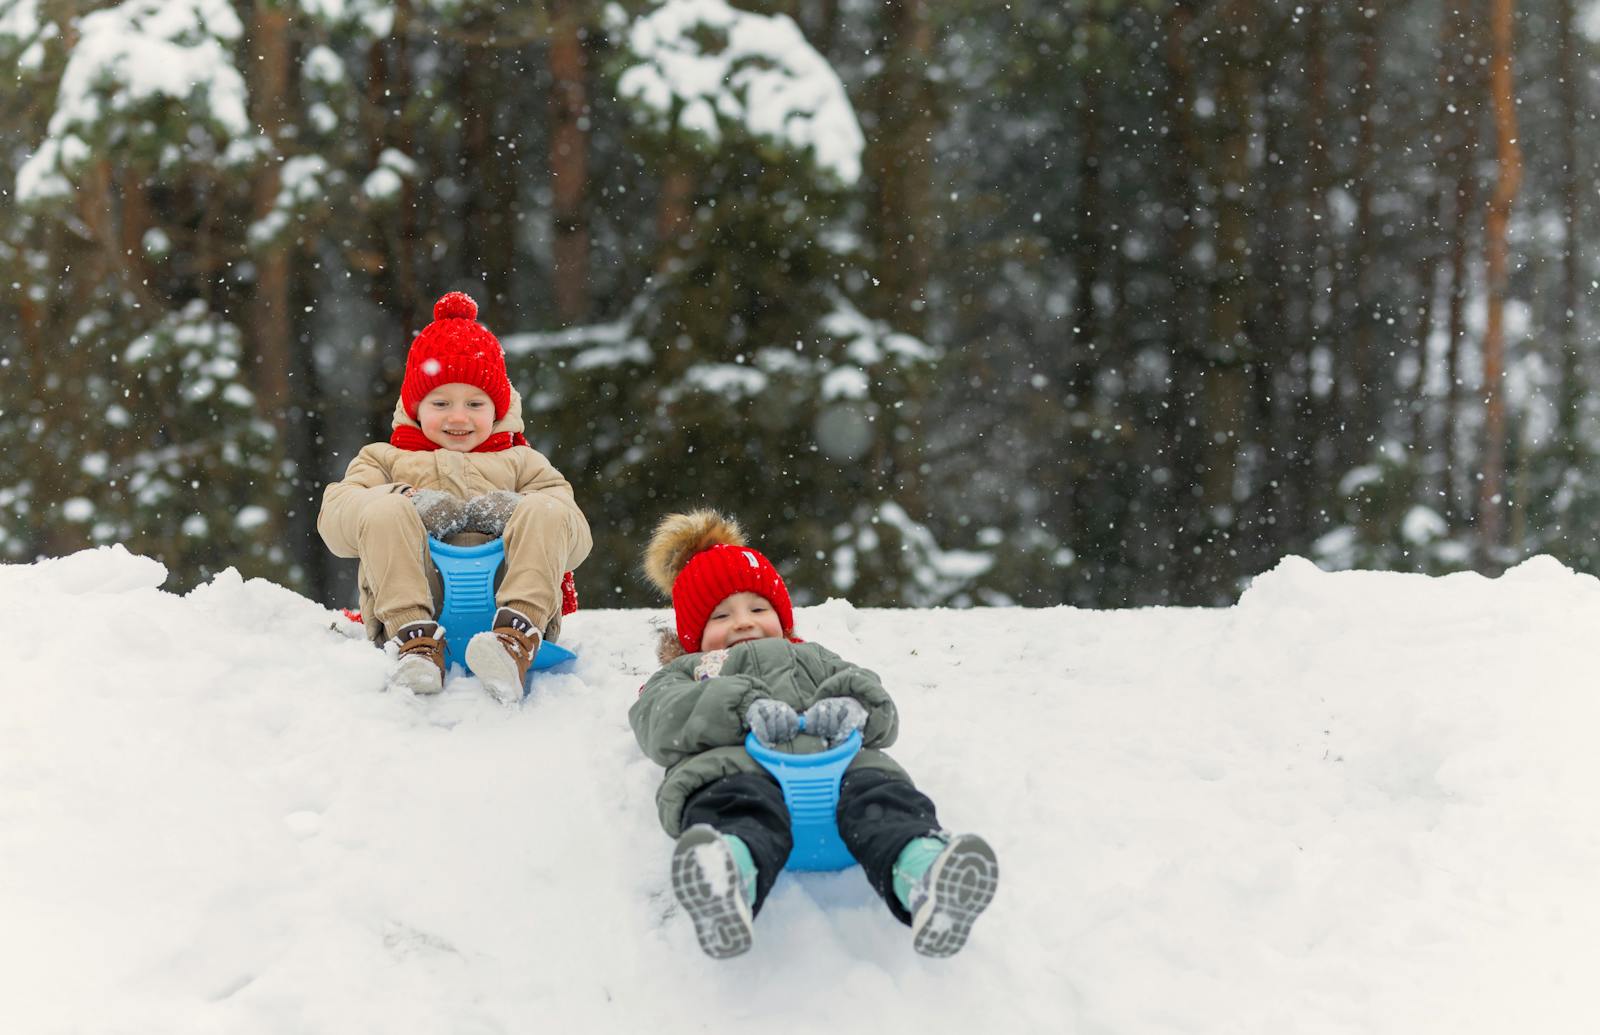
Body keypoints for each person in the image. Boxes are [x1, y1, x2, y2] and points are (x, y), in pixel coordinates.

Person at [629, 510, 999, 959]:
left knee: (886, 802)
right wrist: (740, 705)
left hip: (840, 771)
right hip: (741, 772)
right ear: (694, 634)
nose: (744, 622)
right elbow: (656, 718)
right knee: (731, 806)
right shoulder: (691, 670)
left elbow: (875, 700)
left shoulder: (813, 658)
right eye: (721, 615)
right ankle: (726, 882)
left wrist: (851, 706)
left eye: (758, 608)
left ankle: (927, 878)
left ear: (782, 617)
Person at [317, 291, 591, 702]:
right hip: (415, 601)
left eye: (475, 403)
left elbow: (576, 537)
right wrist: (404, 499)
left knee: (547, 509)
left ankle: (513, 641)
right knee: (383, 509)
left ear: (497, 408)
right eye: (441, 402)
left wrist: (514, 509)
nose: (458, 417)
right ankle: (416, 645)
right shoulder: (385, 459)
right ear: (415, 406)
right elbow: (335, 524)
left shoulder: (522, 461)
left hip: (507, 602)